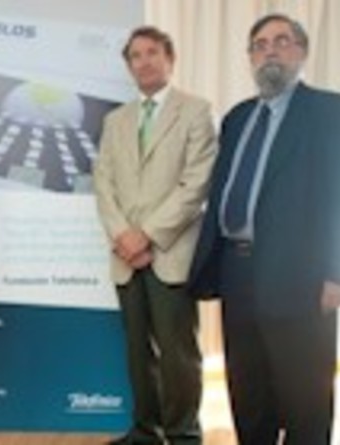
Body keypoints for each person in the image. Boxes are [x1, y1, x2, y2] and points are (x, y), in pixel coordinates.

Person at [189, 14, 340, 445]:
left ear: (301, 51)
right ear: (251, 57)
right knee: (248, 395)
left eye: (281, 41)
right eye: (260, 44)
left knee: (305, 399)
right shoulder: (236, 119)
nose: (270, 50)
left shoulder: (334, 112)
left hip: (302, 278)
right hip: (237, 273)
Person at [94, 26, 217, 445]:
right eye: (135, 56)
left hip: (170, 251)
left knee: (177, 352)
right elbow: (103, 182)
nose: (144, 62)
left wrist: (146, 235)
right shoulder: (115, 120)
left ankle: (183, 434)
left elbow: (196, 183)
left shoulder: (195, 111)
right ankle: (146, 432)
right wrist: (122, 235)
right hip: (124, 255)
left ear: (170, 58)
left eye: (152, 53)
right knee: (137, 349)